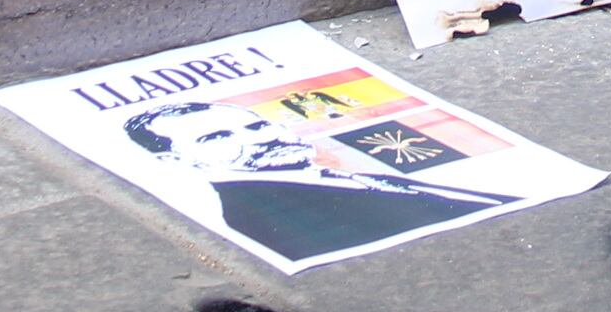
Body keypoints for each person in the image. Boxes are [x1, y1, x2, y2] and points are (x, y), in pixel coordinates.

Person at [121, 99, 506, 261]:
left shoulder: (358, 179)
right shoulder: (266, 219)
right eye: (218, 138)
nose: (263, 136)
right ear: (176, 158)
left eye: (258, 124)